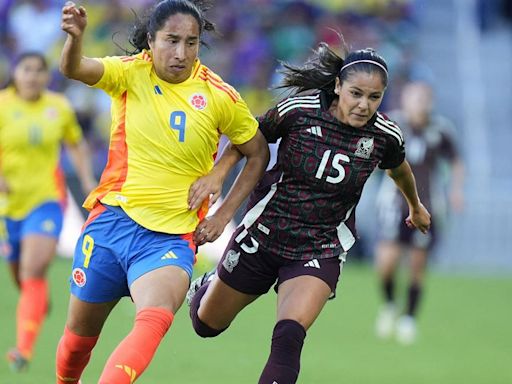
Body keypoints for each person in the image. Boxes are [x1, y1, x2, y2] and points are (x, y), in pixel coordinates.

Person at [187, 40, 432, 384]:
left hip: (319, 246)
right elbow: (249, 139)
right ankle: (208, 284)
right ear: (337, 87)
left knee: (289, 336)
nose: (364, 105)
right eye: (356, 94)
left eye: (374, 98)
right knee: (206, 325)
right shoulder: (300, 110)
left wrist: (415, 206)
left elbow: (399, 168)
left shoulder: (384, 135)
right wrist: (219, 173)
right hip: (264, 233)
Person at [55, 1, 269, 383]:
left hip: (170, 237)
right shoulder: (129, 73)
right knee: (76, 343)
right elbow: (72, 68)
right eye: (171, 41)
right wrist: (75, 38)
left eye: (192, 42)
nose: (181, 53)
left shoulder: (219, 95)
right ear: (151, 41)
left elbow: (257, 152)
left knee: (154, 320)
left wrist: (222, 209)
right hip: (112, 223)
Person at [0, 51, 96, 372]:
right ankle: (37, 300)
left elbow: (76, 144)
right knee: (20, 273)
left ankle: (22, 350)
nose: (33, 76)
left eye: (39, 71)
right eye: (26, 70)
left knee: (32, 268)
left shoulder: (58, 107)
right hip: (8, 207)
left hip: (46, 201)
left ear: (46, 77)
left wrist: (85, 179)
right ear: (16, 74)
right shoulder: (2, 105)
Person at [374, 80, 464, 345]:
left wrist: (457, 190)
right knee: (386, 264)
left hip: (427, 207)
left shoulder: (441, 130)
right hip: (393, 204)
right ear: (405, 100)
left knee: (416, 265)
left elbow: (457, 162)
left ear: (430, 102)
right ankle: (390, 305)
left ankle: (409, 319)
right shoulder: (392, 125)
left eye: (424, 98)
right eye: (414, 98)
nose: (419, 103)